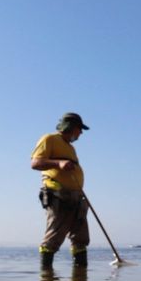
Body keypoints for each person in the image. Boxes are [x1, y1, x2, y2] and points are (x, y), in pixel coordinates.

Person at [31, 112, 90, 268]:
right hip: (58, 196)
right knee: (54, 237)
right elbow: (35, 163)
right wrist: (58, 164)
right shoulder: (49, 139)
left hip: (77, 197)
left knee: (80, 238)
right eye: (79, 129)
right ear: (70, 127)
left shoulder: (70, 148)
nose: (81, 133)